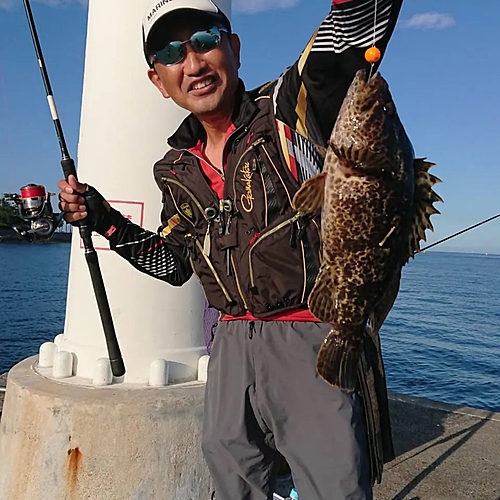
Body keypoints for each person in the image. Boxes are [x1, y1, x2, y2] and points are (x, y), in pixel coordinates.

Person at [58, 0, 404, 498]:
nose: (193, 63)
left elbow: (344, 41)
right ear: (158, 79)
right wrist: (105, 221)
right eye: (171, 52)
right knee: (233, 482)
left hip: (311, 334)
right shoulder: (175, 169)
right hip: (230, 348)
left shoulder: (289, 110)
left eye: (205, 40)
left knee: (336, 488)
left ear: (234, 49)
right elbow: (174, 263)